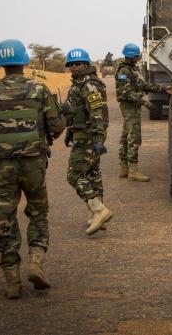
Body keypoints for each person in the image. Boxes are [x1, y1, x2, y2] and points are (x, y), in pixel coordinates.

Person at [0, 39, 64, 299]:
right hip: (34, 165)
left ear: (0, 64)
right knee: (38, 213)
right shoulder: (40, 89)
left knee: (6, 220)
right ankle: (37, 263)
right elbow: (57, 127)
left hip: (2, 167)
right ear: (24, 61)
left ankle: (12, 281)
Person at [62, 48, 113, 235]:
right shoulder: (78, 84)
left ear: (86, 64)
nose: (74, 67)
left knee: (74, 175)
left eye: (78, 64)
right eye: (71, 65)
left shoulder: (89, 85)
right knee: (92, 174)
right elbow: (77, 111)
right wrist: (70, 130)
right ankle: (96, 215)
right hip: (81, 133)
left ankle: (99, 210)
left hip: (89, 136)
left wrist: (98, 139)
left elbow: (97, 113)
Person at [115, 43, 172, 181]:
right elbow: (125, 93)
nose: (139, 57)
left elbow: (143, 86)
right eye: (137, 56)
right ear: (133, 56)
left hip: (131, 106)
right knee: (133, 138)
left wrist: (163, 88)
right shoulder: (124, 72)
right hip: (129, 107)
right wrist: (144, 102)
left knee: (125, 136)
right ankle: (133, 172)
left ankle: (124, 169)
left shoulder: (131, 70)